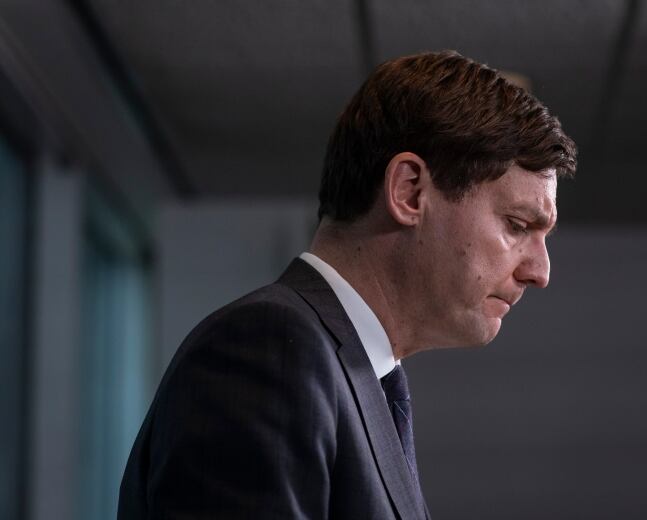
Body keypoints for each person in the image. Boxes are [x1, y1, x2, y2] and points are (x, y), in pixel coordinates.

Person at [118, 50, 577, 519]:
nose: (539, 272)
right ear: (410, 191)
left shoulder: (357, 374)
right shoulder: (269, 350)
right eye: (518, 225)